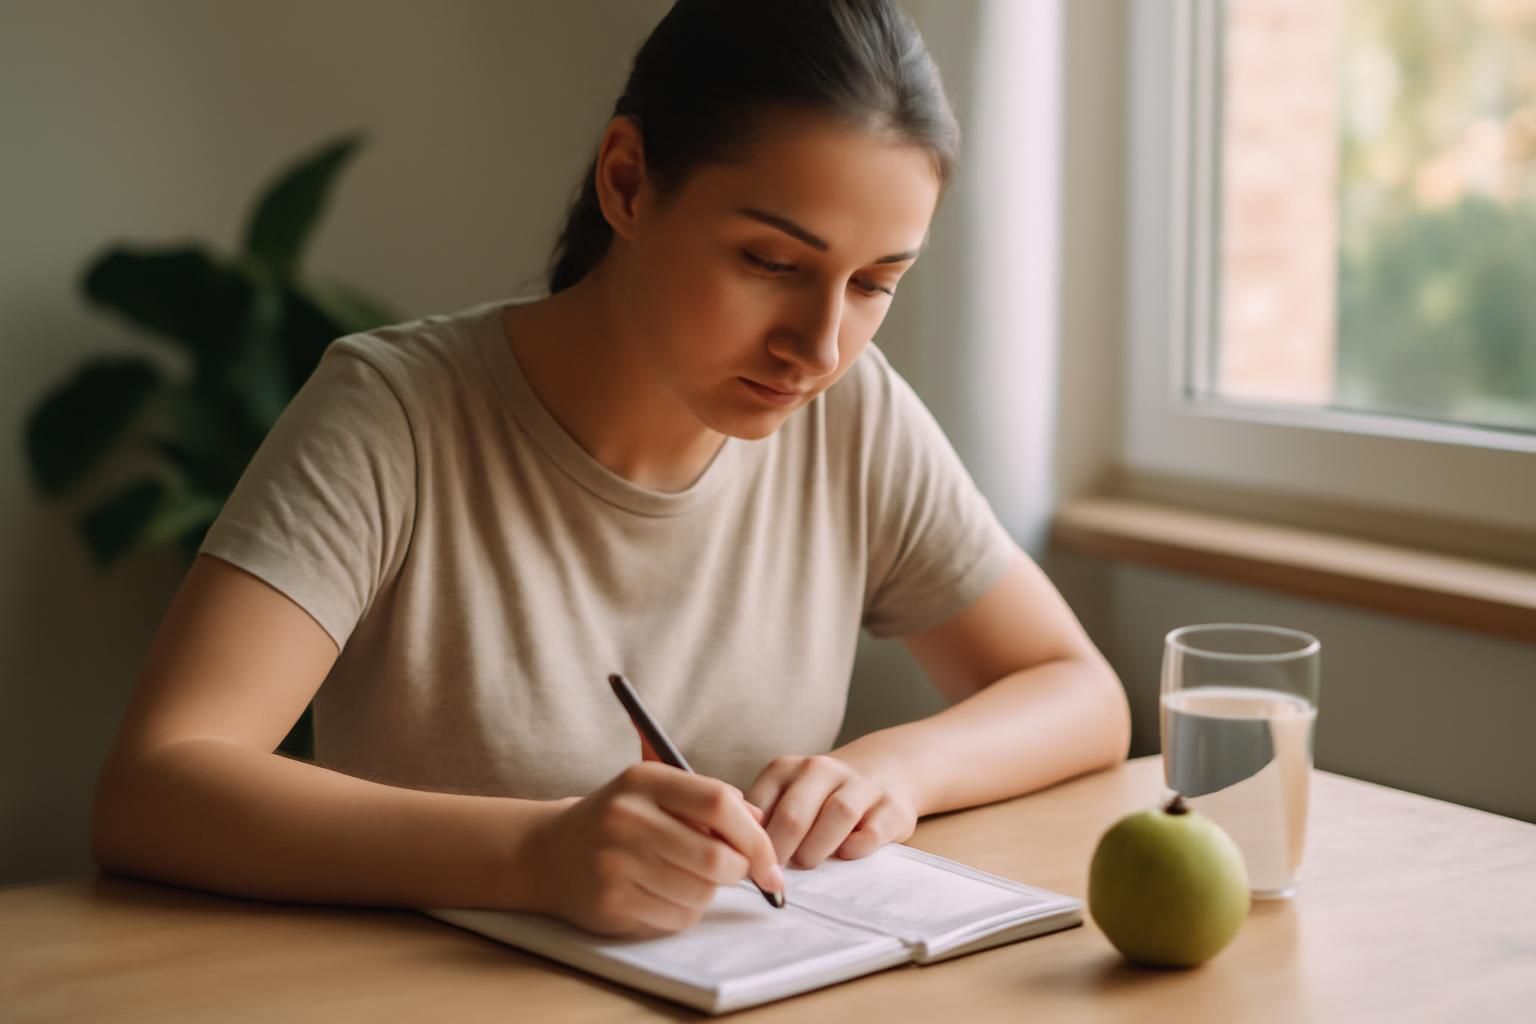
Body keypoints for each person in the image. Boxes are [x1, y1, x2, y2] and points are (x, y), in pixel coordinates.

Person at [91, 0, 1129, 939]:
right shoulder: (394, 413)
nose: (818, 346)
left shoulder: (852, 414)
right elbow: (156, 786)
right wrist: (534, 855)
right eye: (772, 264)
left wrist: (892, 770)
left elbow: (1078, 690)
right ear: (627, 181)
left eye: (875, 282)